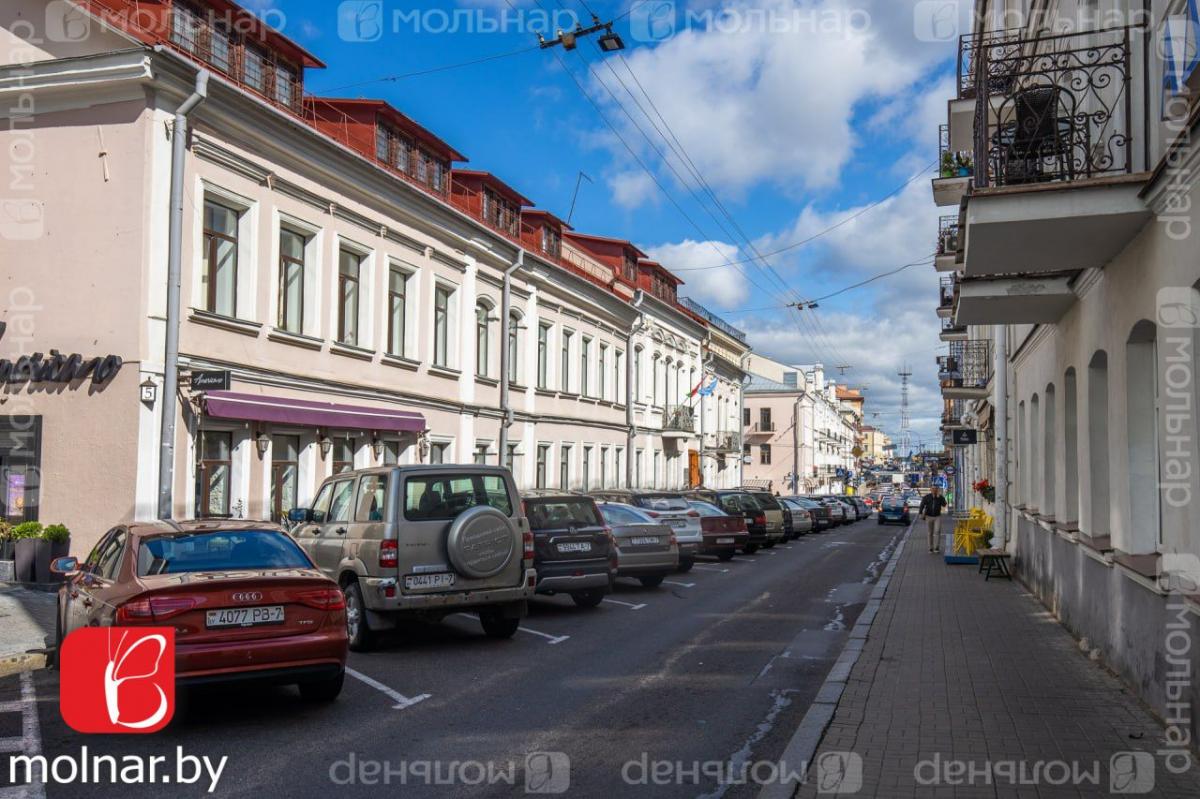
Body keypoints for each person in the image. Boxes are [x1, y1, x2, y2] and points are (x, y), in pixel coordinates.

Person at [919, 486, 948, 553]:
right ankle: (930, 548)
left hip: (937, 517)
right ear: (930, 490)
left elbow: (944, 504)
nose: (934, 490)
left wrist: (939, 497)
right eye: (933, 489)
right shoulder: (927, 497)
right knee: (930, 533)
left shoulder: (940, 497)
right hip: (928, 516)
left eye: (935, 489)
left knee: (937, 531)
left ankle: (936, 548)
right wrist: (920, 513)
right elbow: (922, 505)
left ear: (937, 490)